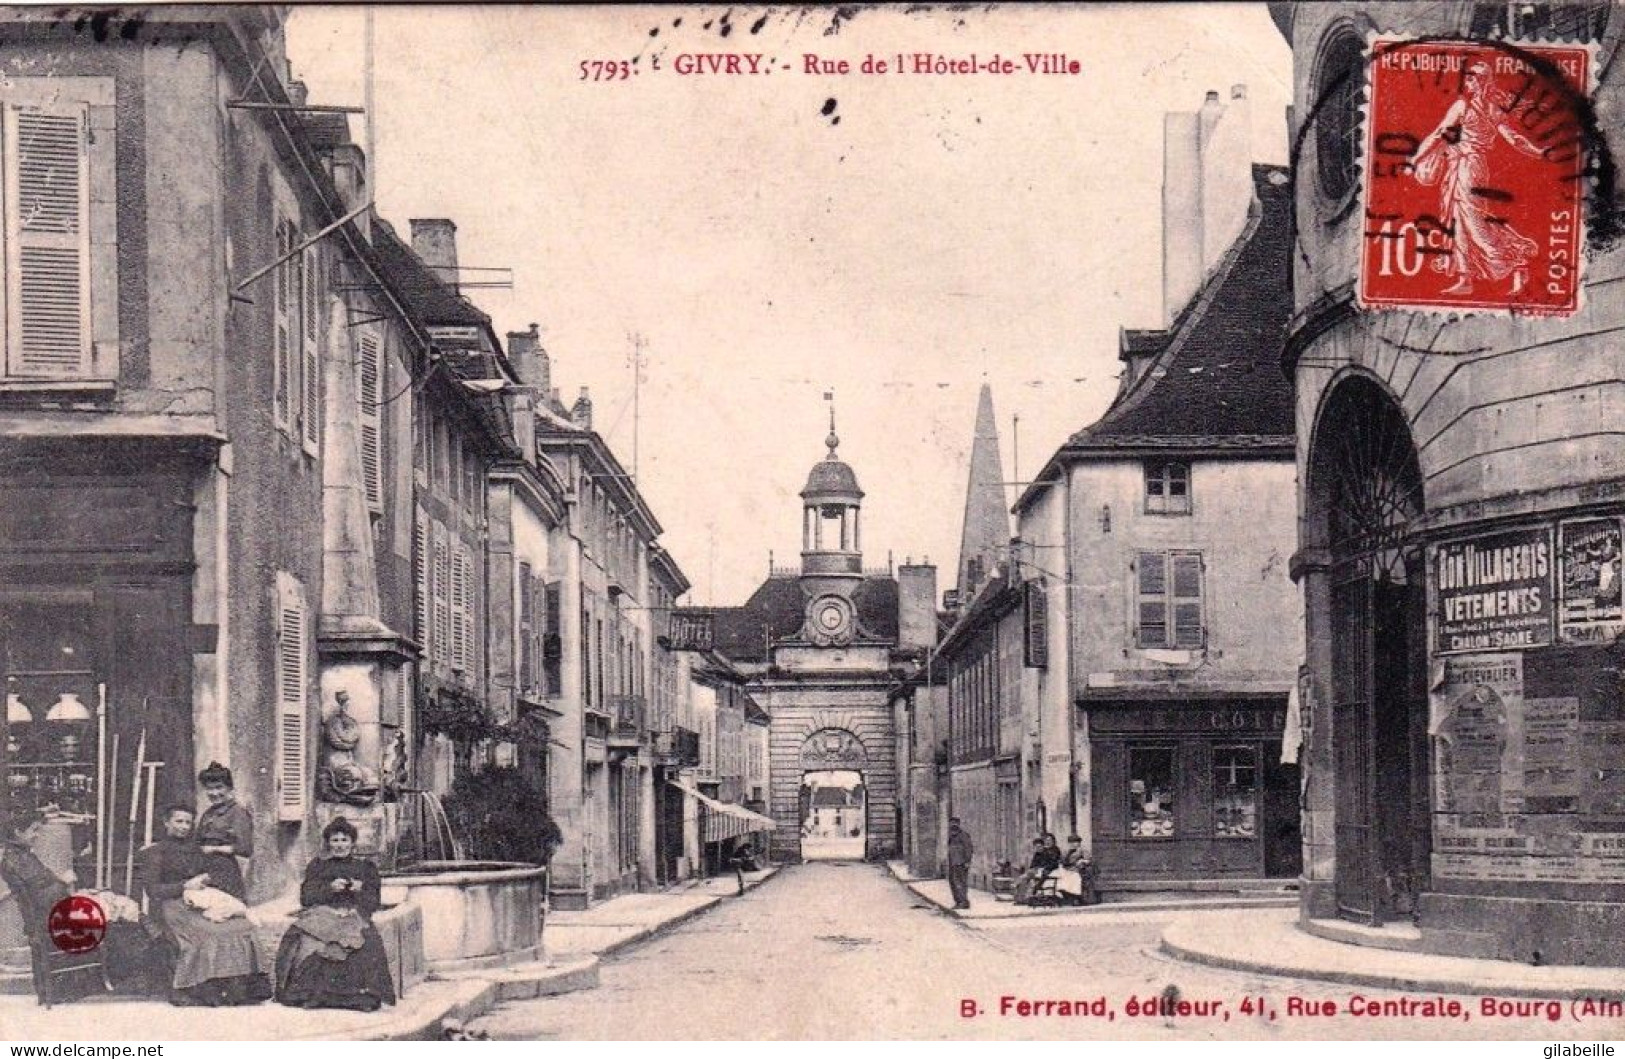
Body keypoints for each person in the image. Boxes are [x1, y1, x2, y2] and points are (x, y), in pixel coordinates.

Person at [1411, 60, 1546, 297]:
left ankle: (1517, 262)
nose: (1468, 82)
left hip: (1468, 166)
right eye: (1468, 78)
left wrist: (1415, 159)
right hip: (1465, 166)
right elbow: (1515, 139)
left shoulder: (1464, 106)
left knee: (1474, 223)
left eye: (1472, 78)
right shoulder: (1492, 109)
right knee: (1457, 221)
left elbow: (1438, 134)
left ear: (1481, 82)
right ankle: (1465, 278)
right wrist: (1539, 152)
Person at [136, 804, 270, 1006]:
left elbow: (215, 875)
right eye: (178, 821)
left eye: (188, 822)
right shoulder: (155, 852)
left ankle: (237, 991)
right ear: (166, 822)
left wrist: (207, 880)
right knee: (209, 934)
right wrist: (184, 885)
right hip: (173, 907)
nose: (183, 827)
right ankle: (201, 990)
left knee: (243, 926)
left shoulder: (196, 851)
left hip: (200, 903)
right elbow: (153, 891)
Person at [274, 818, 395, 1012]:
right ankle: (315, 994)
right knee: (306, 939)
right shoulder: (318, 866)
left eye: (344, 840)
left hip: (354, 914)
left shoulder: (366, 868)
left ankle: (358, 997)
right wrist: (329, 888)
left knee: (367, 941)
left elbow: (374, 902)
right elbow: (306, 898)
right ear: (328, 843)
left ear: (353, 843)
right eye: (335, 840)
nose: (339, 845)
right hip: (322, 913)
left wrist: (359, 890)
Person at [194, 762, 253, 902]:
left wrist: (214, 849)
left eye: (219, 787)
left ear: (229, 788)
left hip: (225, 872)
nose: (214, 793)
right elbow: (197, 842)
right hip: (204, 870)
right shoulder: (207, 814)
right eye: (209, 789)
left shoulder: (237, 812)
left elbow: (245, 848)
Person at [1013, 833, 1062, 905]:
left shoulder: (1053, 850)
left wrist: (1040, 868)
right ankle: (1020, 898)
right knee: (1026, 879)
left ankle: (1018, 885)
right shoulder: (1040, 852)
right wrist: (1035, 868)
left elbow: (1053, 863)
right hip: (1037, 870)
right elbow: (1033, 864)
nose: (1048, 842)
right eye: (1046, 840)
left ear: (1053, 841)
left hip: (1047, 870)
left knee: (1026, 877)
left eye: (1050, 840)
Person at [1055, 834, 1097, 905]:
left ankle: (1075, 896)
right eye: (1071, 842)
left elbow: (1088, 860)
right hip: (1067, 868)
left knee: (1074, 877)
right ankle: (1063, 894)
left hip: (1077, 869)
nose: (1073, 844)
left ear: (1079, 843)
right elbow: (1061, 861)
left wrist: (1082, 861)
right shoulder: (1066, 851)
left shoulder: (1082, 850)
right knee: (1061, 876)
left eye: (1075, 842)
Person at [944, 817, 973, 910]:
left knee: (960, 883)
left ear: (958, 824)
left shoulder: (963, 835)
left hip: (961, 863)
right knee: (953, 883)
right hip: (952, 863)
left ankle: (964, 902)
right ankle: (958, 901)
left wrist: (967, 861)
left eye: (955, 824)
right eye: (951, 824)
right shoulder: (951, 836)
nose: (953, 825)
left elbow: (969, 849)